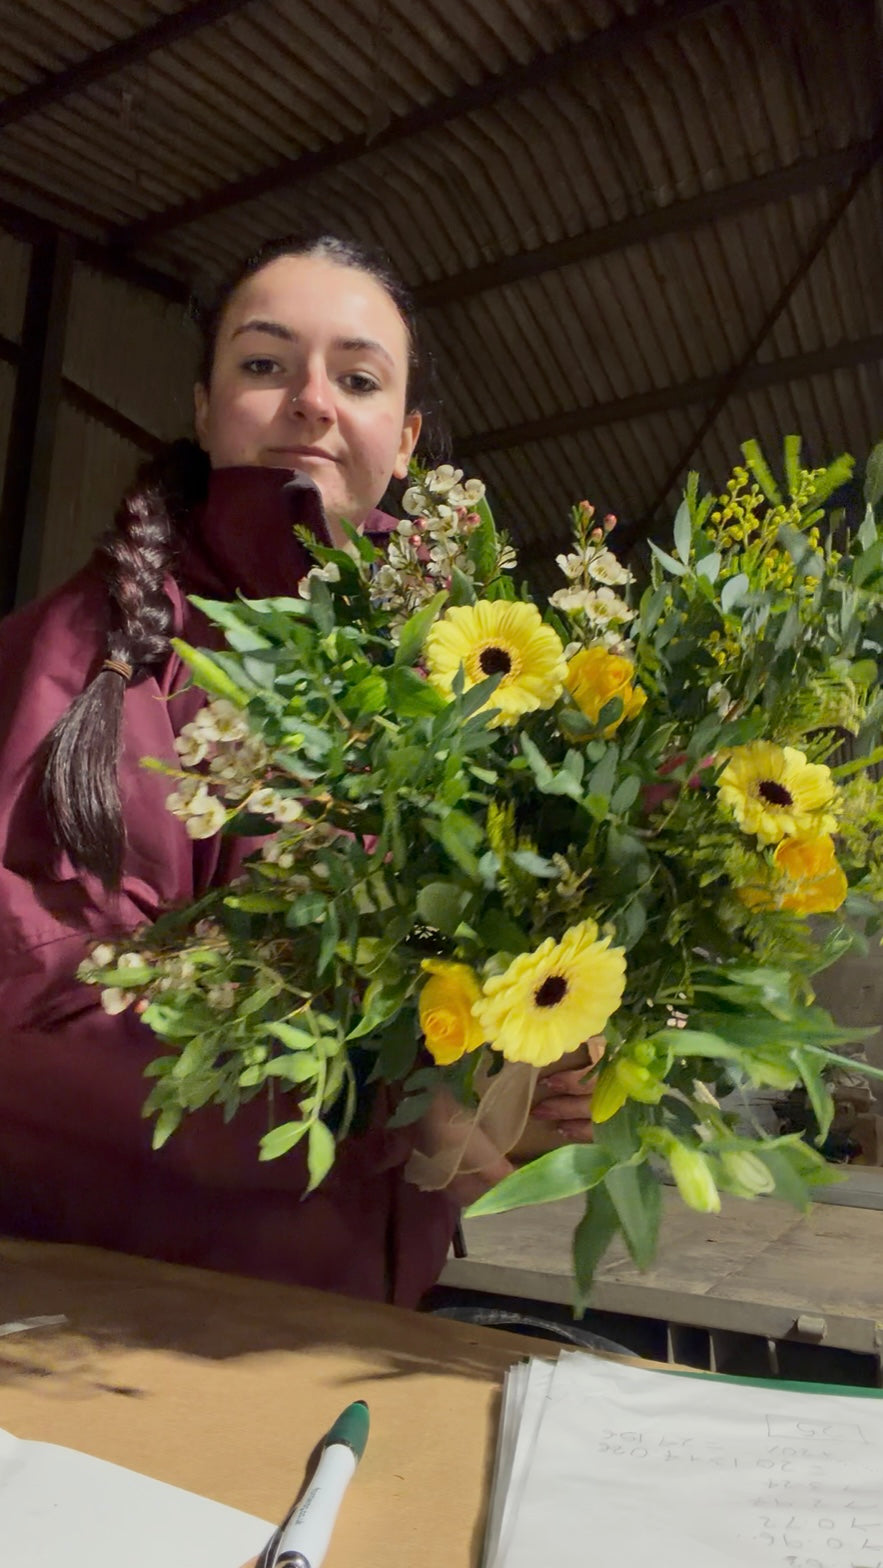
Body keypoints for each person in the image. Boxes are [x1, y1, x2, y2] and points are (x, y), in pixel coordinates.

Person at [0, 233, 593, 1308]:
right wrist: (395, 1104)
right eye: (265, 365)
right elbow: (35, 1003)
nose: (312, 401)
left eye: (357, 378)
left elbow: (417, 942)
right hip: (90, 1329)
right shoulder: (92, 656)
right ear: (204, 405)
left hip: (352, 1325)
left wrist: (519, 1057)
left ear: (404, 439)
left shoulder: (448, 699)